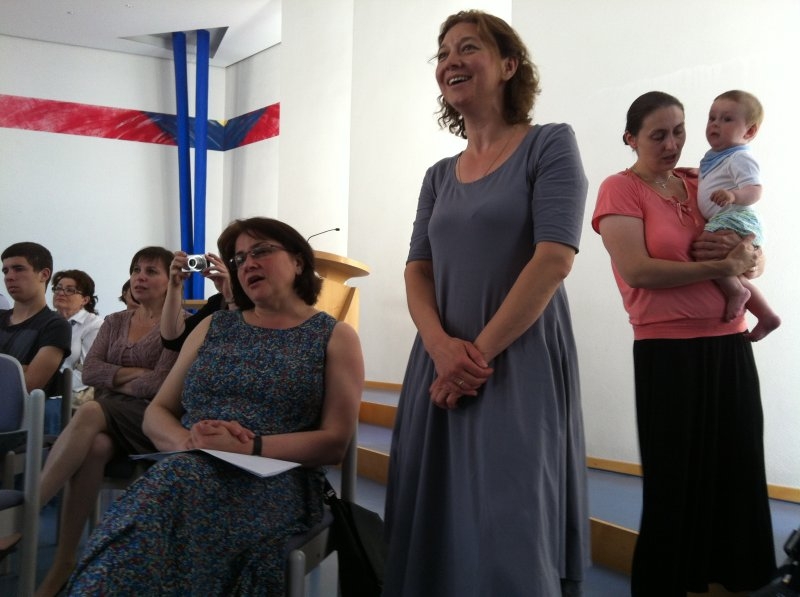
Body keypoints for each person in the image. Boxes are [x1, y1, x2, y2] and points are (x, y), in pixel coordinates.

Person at [384, 11, 589, 597]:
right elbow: (417, 269)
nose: (450, 61)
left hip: (515, 359)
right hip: (439, 359)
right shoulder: (438, 175)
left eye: (468, 47)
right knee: (433, 511)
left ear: (508, 65)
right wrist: (441, 348)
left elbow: (554, 259)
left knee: (510, 515)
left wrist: (472, 358)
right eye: (443, 52)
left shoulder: (550, 143)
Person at [65, 217, 364, 595]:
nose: (248, 264)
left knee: (169, 508)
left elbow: (335, 442)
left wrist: (250, 446)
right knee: (155, 510)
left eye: (261, 251)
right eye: (239, 259)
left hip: (277, 480)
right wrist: (190, 443)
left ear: (299, 261)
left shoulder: (333, 336)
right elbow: (158, 411)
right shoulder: (215, 326)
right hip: (189, 466)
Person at [592, 91, 775, 596]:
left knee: (738, 471)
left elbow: (751, 248)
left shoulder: (701, 181)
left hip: (730, 345)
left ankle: (734, 580)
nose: (672, 144)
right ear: (631, 139)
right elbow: (638, 271)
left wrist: (752, 258)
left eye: (679, 132)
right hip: (668, 352)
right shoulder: (619, 189)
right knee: (674, 480)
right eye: (658, 135)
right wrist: (723, 266)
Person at [30, 246, 180, 597]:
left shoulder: (179, 326)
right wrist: (134, 374)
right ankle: (65, 561)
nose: (140, 277)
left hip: (151, 418)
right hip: (109, 416)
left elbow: (160, 385)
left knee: (90, 410)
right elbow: (91, 372)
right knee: (95, 446)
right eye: (136, 270)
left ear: (171, 280)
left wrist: (117, 378)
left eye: (151, 271)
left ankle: (28, 509)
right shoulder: (114, 322)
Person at [699, 89, 780, 340]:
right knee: (718, 261)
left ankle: (736, 292)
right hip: (727, 217)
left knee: (706, 250)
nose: (715, 124)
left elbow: (755, 190)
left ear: (750, 132)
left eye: (727, 119)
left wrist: (733, 195)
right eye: (712, 118)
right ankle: (766, 314)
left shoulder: (739, 157)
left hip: (736, 218)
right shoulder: (717, 157)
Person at [0, 242, 72, 395]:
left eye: (18, 269)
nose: (9, 277)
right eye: (5, 271)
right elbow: (18, 380)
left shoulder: (56, 326)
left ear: (44, 274)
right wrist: (19, 369)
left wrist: (20, 375)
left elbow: (27, 386)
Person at [44, 270, 104, 433]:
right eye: (58, 288)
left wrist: (53, 389)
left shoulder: (94, 325)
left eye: (70, 290)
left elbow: (87, 371)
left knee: (49, 409)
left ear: (85, 299)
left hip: (72, 391)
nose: (61, 293)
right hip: (41, 386)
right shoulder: (47, 321)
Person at [161, 250, 236, 352]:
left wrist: (231, 298)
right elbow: (175, 341)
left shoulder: (257, 307)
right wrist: (174, 285)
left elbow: (243, 344)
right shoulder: (218, 301)